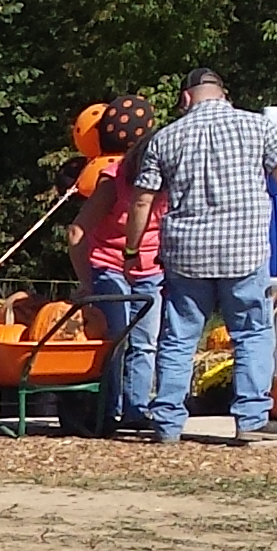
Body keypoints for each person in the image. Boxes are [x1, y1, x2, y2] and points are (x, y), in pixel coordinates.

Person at [123, 67, 277, 445]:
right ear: (223, 95)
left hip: (186, 255)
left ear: (185, 100)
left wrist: (132, 249)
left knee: (179, 338)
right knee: (253, 333)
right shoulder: (257, 127)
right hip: (243, 252)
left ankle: (167, 422)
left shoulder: (165, 138)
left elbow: (143, 198)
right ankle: (251, 418)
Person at [69, 96, 165, 434]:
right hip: (110, 267)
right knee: (116, 340)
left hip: (150, 271)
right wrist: (88, 283)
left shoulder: (166, 181)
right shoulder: (113, 180)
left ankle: (137, 410)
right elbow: (78, 230)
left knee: (146, 342)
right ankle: (107, 411)